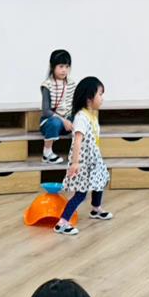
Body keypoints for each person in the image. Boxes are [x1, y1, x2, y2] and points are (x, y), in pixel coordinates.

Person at [54, 77, 112, 236]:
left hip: (94, 160)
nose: (102, 98)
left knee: (99, 182)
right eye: (100, 94)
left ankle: (96, 208)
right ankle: (62, 223)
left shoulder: (92, 115)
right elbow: (77, 141)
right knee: (80, 193)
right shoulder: (81, 117)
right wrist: (75, 163)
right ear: (89, 98)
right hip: (83, 163)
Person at [40, 49, 76, 164]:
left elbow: (74, 104)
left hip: (68, 120)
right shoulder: (47, 85)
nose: (64, 70)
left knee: (82, 120)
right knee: (55, 122)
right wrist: (64, 121)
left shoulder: (71, 83)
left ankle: (76, 153)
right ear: (52, 66)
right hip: (51, 121)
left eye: (67, 66)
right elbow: (46, 111)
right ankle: (47, 154)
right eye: (61, 66)